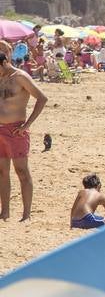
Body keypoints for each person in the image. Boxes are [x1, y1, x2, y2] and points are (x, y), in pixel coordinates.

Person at [0, 45, 47, 221]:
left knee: (22, 171)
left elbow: (42, 98)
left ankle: (26, 215)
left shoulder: (20, 77)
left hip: (16, 130)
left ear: (4, 63)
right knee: (2, 172)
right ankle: (5, 212)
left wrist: (27, 125)